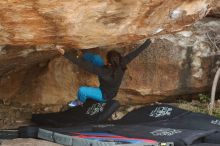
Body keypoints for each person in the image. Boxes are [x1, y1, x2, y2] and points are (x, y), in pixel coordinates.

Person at [57, 39, 151, 107]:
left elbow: (83, 65)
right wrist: (148, 42)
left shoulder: (103, 72)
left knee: (82, 90)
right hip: (108, 81)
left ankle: (80, 101)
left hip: (104, 95)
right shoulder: (121, 63)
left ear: (109, 63)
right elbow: (134, 54)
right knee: (96, 58)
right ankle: (83, 54)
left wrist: (65, 53)